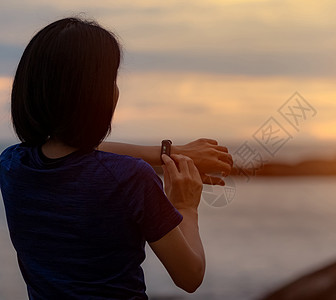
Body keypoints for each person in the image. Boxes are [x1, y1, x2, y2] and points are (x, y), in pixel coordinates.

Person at [0, 17, 233, 299]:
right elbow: (190, 276)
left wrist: (168, 153)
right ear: (93, 93)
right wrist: (186, 206)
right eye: (111, 78)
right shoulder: (131, 178)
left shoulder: (12, 164)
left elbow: (83, 154)